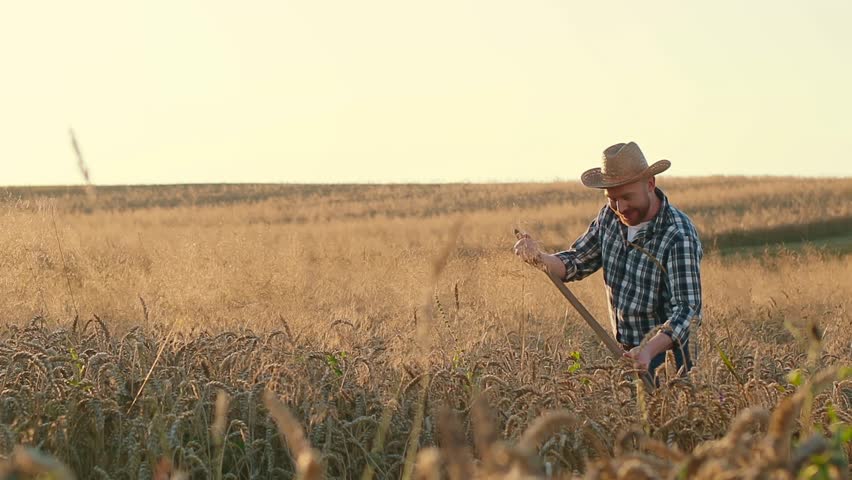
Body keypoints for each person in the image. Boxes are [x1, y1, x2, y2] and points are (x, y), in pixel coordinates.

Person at [513, 141, 702, 379]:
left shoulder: (677, 234)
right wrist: (539, 258)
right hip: (625, 353)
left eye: (627, 197)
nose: (620, 207)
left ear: (650, 184)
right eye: (612, 198)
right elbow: (576, 261)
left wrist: (647, 349)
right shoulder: (609, 217)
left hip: (669, 357)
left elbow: (688, 311)